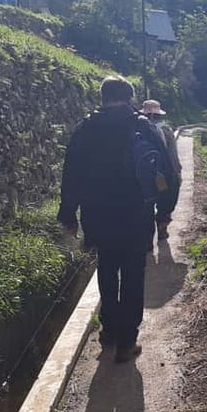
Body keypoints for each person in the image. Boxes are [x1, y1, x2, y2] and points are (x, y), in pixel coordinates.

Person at [57, 77, 177, 363]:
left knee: (107, 269)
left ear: (102, 97)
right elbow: (166, 172)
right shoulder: (143, 127)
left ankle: (108, 331)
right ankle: (126, 341)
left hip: (98, 216)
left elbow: (71, 173)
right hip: (137, 215)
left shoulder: (86, 129)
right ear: (130, 97)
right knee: (134, 274)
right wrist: (164, 211)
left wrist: (68, 214)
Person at [140, 99, 182, 248]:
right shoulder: (165, 129)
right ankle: (162, 227)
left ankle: (146, 240)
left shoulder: (136, 129)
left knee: (146, 205)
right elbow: (172, 155)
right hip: (162, 176)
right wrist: (177, 172)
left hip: (143, 176)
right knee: (165, 200)